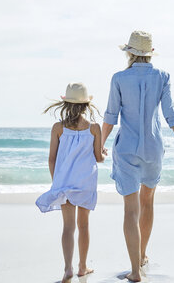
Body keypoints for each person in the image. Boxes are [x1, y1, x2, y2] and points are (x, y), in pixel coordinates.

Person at [101, 31, 174, 282]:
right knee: (148, 203)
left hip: (127, 149)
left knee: (130, 210)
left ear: (130, 53)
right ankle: (142, 255)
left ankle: (135, 271)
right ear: (149, 53)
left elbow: (110, 116)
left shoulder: (119, 78)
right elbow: (171, 114)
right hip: (153, 150)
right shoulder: (162, 77)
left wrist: (100, 144)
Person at [36, 82, 106, 283]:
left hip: (65, 184)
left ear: (66, 104)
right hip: (85, 182)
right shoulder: (94, 128)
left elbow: (52, 158)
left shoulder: (58, 128)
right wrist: (103, 153)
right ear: (86, 106)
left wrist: (56, 181)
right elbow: (98, 158)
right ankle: (82, 267)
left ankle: (68, 269)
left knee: (68, 227)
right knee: (83, 226)